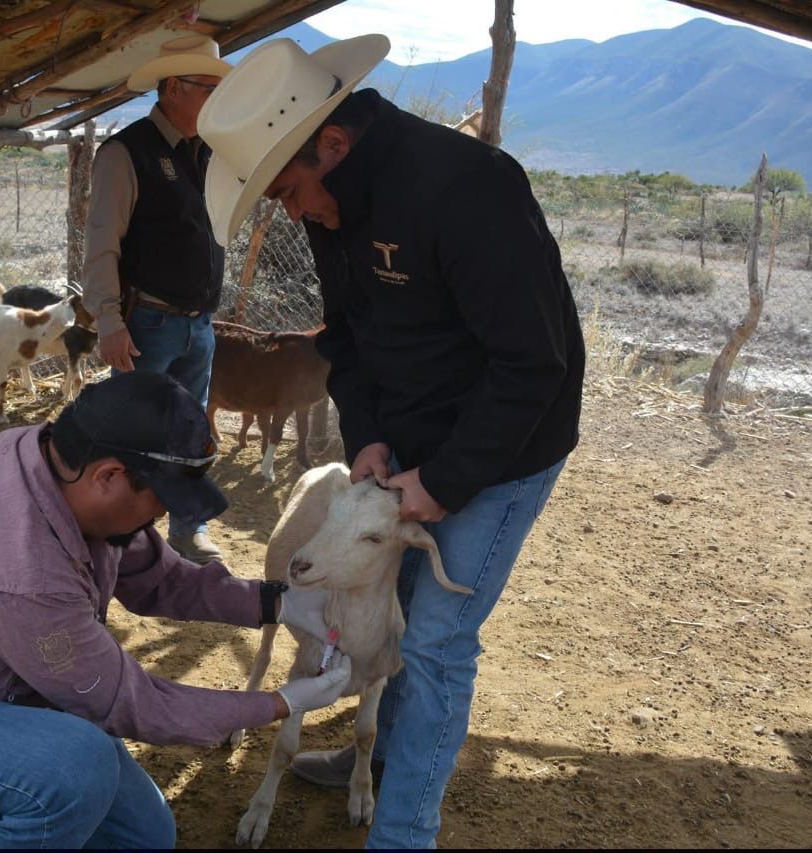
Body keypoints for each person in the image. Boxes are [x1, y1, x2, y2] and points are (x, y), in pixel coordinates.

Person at [198, 35, 586, 848]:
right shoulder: (334, 200)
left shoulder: (467, 187)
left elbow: (532, 364)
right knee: (387, 612)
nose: (293, 213)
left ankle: (404, 830)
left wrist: (443, 479)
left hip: (505, 446)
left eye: (292, 190)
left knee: (438, 638)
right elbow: (349, 341)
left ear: (334, 145)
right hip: (408, 441)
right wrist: (370, 437)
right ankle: (376, 750)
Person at [0, 369, 354, 849]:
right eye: (160, 502)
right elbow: (128, 701)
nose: (161, 517)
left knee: (142, 838)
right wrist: (281, 704)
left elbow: (156, 578)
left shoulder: (50, 460)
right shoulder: (22, 574)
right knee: (77, 769)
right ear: (109, 476)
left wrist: (274, 602)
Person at [81, 35, 231, 565]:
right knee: (138, 433)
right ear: (172, 88)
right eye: (209, 88)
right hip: (145, 322)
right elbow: (102, 244)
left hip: (198, 322)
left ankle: (188, 530)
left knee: (192, 431)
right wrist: (107, 321)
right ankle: (122, 535)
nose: (218, 98)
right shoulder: (126, 153)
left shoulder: (209, 150)